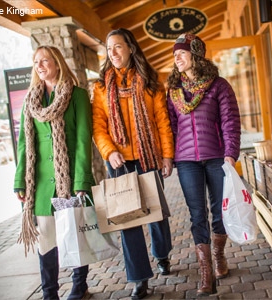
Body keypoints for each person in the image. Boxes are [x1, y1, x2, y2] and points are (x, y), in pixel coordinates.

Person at [92, 28, 174, 299]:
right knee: (128, 221)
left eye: (118, 46)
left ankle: (162, 254)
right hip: (119, 162)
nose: (113, 53)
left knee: (157, 215)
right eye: (109, 48)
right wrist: (109, 151)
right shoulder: (102, 87)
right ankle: (140, 277)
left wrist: (167, 155)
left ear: (130, 48)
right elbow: (99, 127)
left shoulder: (150, 81)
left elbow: (162, 120)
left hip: (149, 157)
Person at [13, 45, 93, 300]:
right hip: (40, 183)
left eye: (45, 60)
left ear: (57, 63)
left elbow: (83, 141)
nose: (40, 65)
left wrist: (81, 180)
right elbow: (25, 144)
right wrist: (20, 182)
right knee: (46, 240)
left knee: (74, 233)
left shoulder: (78, 95)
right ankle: (50, 293)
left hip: (68, 179)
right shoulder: (30, 101)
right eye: (36, 61)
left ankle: (80, 286)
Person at [166, 33, 241, 295]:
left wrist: (231, 153)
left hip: (217, 157)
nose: (176, 58)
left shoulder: (219, 86)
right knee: (197, 215)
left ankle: (219, 256)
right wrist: (171, 156)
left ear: (196, 55)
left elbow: (230, 121)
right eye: (174, 54)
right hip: (187, 161)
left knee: (220, 211)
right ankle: (205, 272)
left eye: (181, 53)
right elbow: (172, 127)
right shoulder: (174, 91)